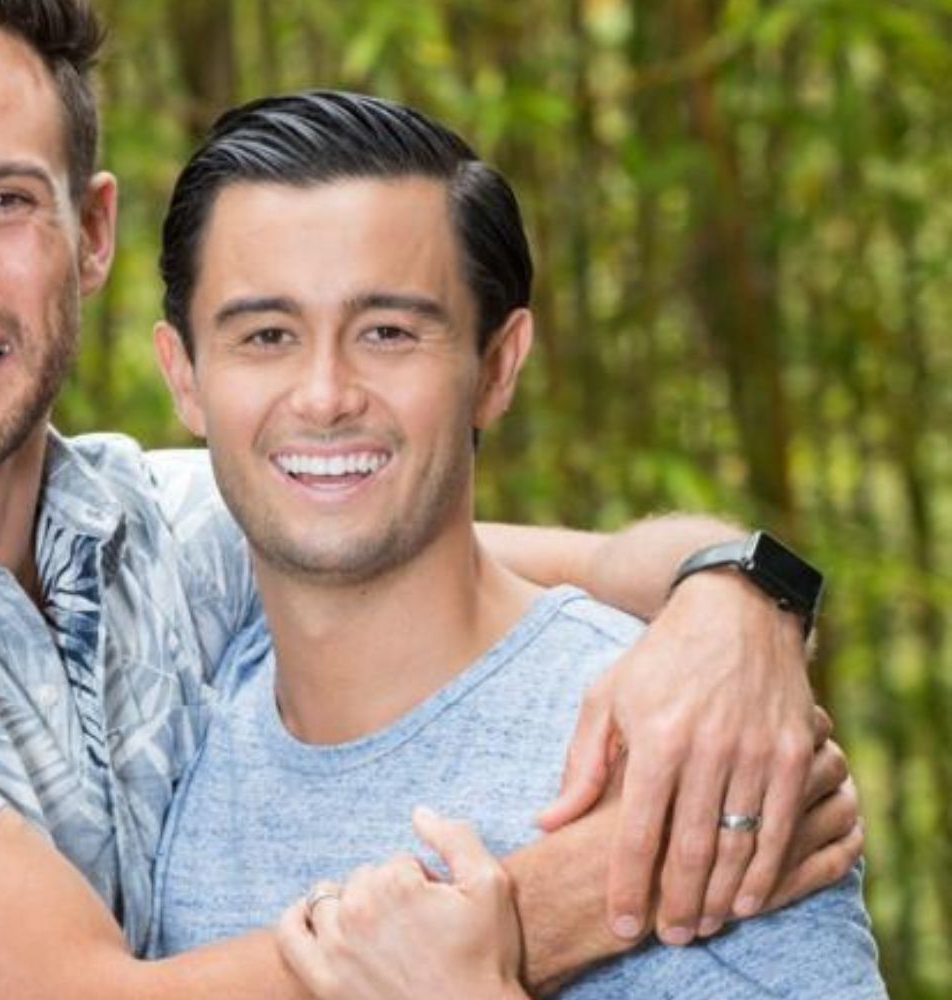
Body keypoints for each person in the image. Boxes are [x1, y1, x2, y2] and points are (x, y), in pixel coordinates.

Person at [0, 1, 856, 996]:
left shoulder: (152, 529)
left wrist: (739, 609)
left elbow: (609, 563)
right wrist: (566, 900)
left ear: (94, 230)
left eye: (3, 200)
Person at [146, 90, 884, 997]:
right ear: (183, 376)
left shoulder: (683, 750)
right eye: (266, 335)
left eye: (387, 332)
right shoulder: (173, 716)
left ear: (497, 367)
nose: (326, 393)